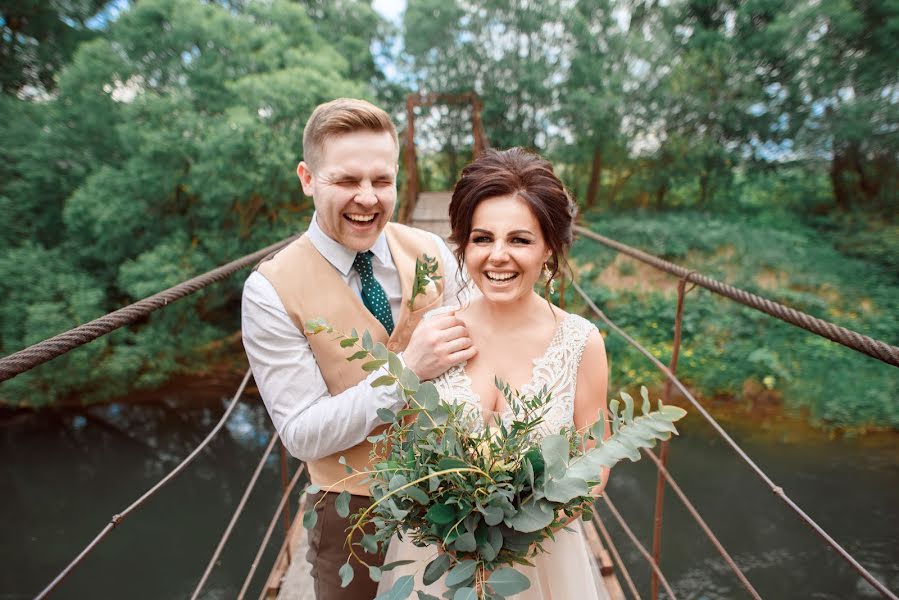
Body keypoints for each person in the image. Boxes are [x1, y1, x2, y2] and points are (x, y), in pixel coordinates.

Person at [241, 98, 475, 600]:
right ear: (308, 179)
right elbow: (302, 434)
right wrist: (407, 371)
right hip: (351, 512)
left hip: (455, 490)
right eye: (346, 182)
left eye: (382, 181)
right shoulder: (269, 290)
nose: (367, 199)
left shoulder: (432, 251)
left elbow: (477, 356)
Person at [378, 147, 611, 598]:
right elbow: (406, 446)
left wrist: (520, 531)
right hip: (441, 560)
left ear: (550, 249)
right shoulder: (434, 331)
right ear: (463, 244)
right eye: (482, 238)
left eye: (519, 240)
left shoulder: (583, 343)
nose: (497, 256)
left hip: (539, 562)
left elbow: (593, 460)